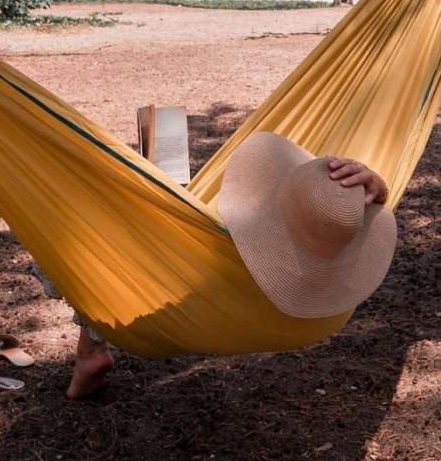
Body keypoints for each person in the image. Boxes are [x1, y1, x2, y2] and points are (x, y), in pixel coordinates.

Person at [43, 143, 392, 399]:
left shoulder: (230, 248)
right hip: (267, 310)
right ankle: (89, 350)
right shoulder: (325, 298)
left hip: (194, 293)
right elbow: (338, 213)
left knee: (83, 237)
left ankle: (89, 351)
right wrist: (377, 188)